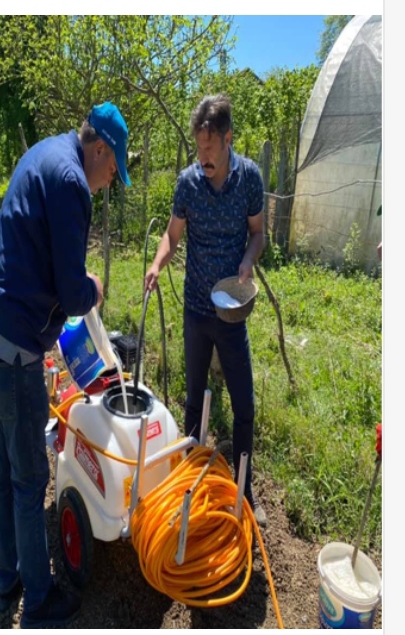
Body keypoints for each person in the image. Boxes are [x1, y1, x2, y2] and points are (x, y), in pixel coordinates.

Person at [0, 102, 129, 628]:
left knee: (2, 471)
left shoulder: (46, 151)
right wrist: (94, 289)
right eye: (113, 170)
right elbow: (71, 291)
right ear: (100, 149)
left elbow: (45, 253)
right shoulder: (71, 182)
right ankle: (37, 603)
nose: (109, 182)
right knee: (29, 477)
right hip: (15, 346)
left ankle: (8, 578)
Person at [144, 94, 268, 527]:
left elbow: (258, 234)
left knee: (244, 406)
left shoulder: (250, 178)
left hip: (231, 313)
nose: (204, 158)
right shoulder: (188, 183)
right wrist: (158, 263)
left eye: (211, 150)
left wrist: (249, 262)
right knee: (193, 401)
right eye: (199, 150)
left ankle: (245, 491)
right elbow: (172, 235)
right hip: (197, 310)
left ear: (228, 139)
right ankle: (193, 481)